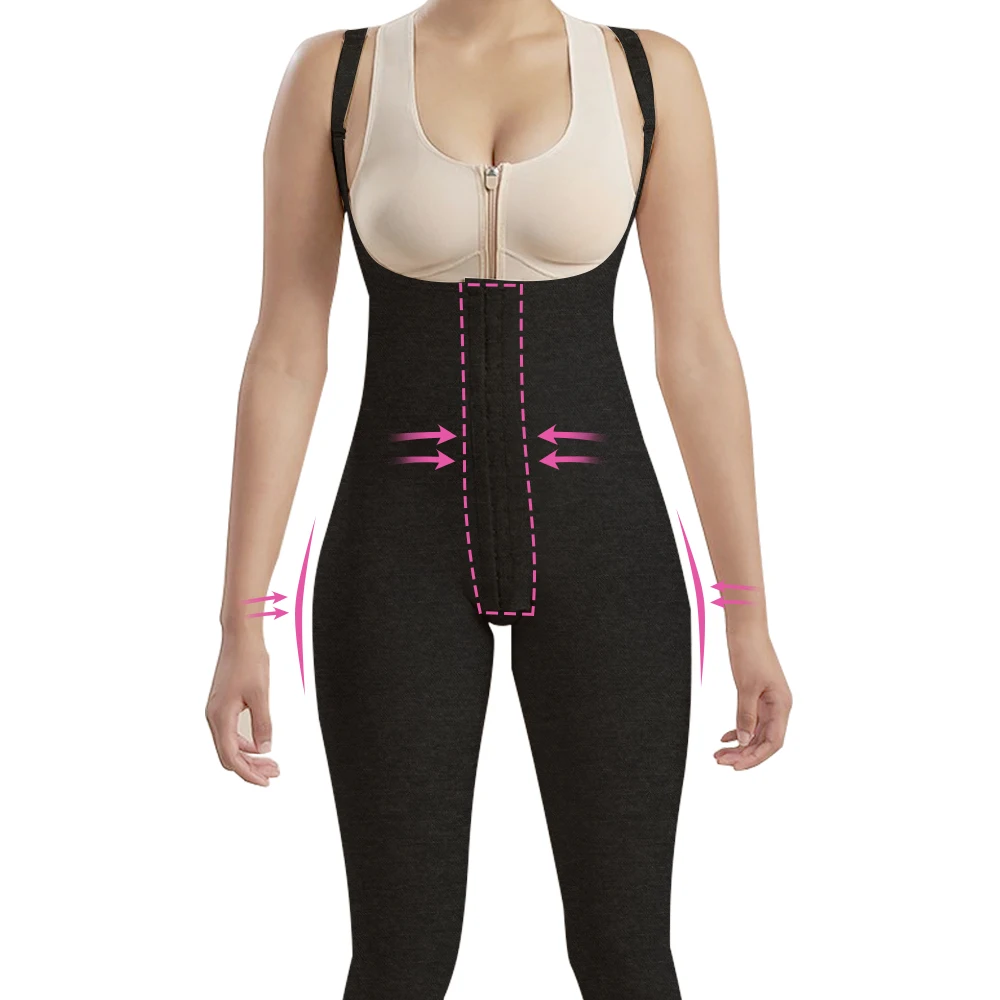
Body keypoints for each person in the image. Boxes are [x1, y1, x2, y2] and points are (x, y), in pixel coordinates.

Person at [206, 2, 793, 997]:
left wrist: (748, 616)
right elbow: (286, 353)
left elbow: (697, 349)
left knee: (626, 956)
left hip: (607, 547)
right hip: (393, 550)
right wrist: (240, 622)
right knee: (398, 964)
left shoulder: (648, 73)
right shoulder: (337, 73)